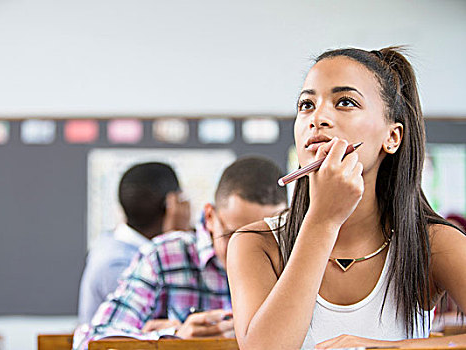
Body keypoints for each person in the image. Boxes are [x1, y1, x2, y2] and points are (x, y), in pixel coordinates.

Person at [227, 47, 466, 349]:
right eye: (306, 104)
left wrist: (394, 347)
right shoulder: (255, 243)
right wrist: (323, 219)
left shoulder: (433, 243)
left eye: (345, 102)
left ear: (392, 137)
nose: (318, 117)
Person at [73, 156, 288, 350]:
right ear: (210, 217)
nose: (247, 251)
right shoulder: (164, 256)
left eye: (266, 237)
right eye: (234, 235)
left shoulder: (296, 261)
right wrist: (174, 339)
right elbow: (90, 341)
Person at [77, 162, 190, 324]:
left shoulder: (112, 242)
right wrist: (175, 240)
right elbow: (158, 328)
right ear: (171, 205)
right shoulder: (117, 264)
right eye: (182, 199)